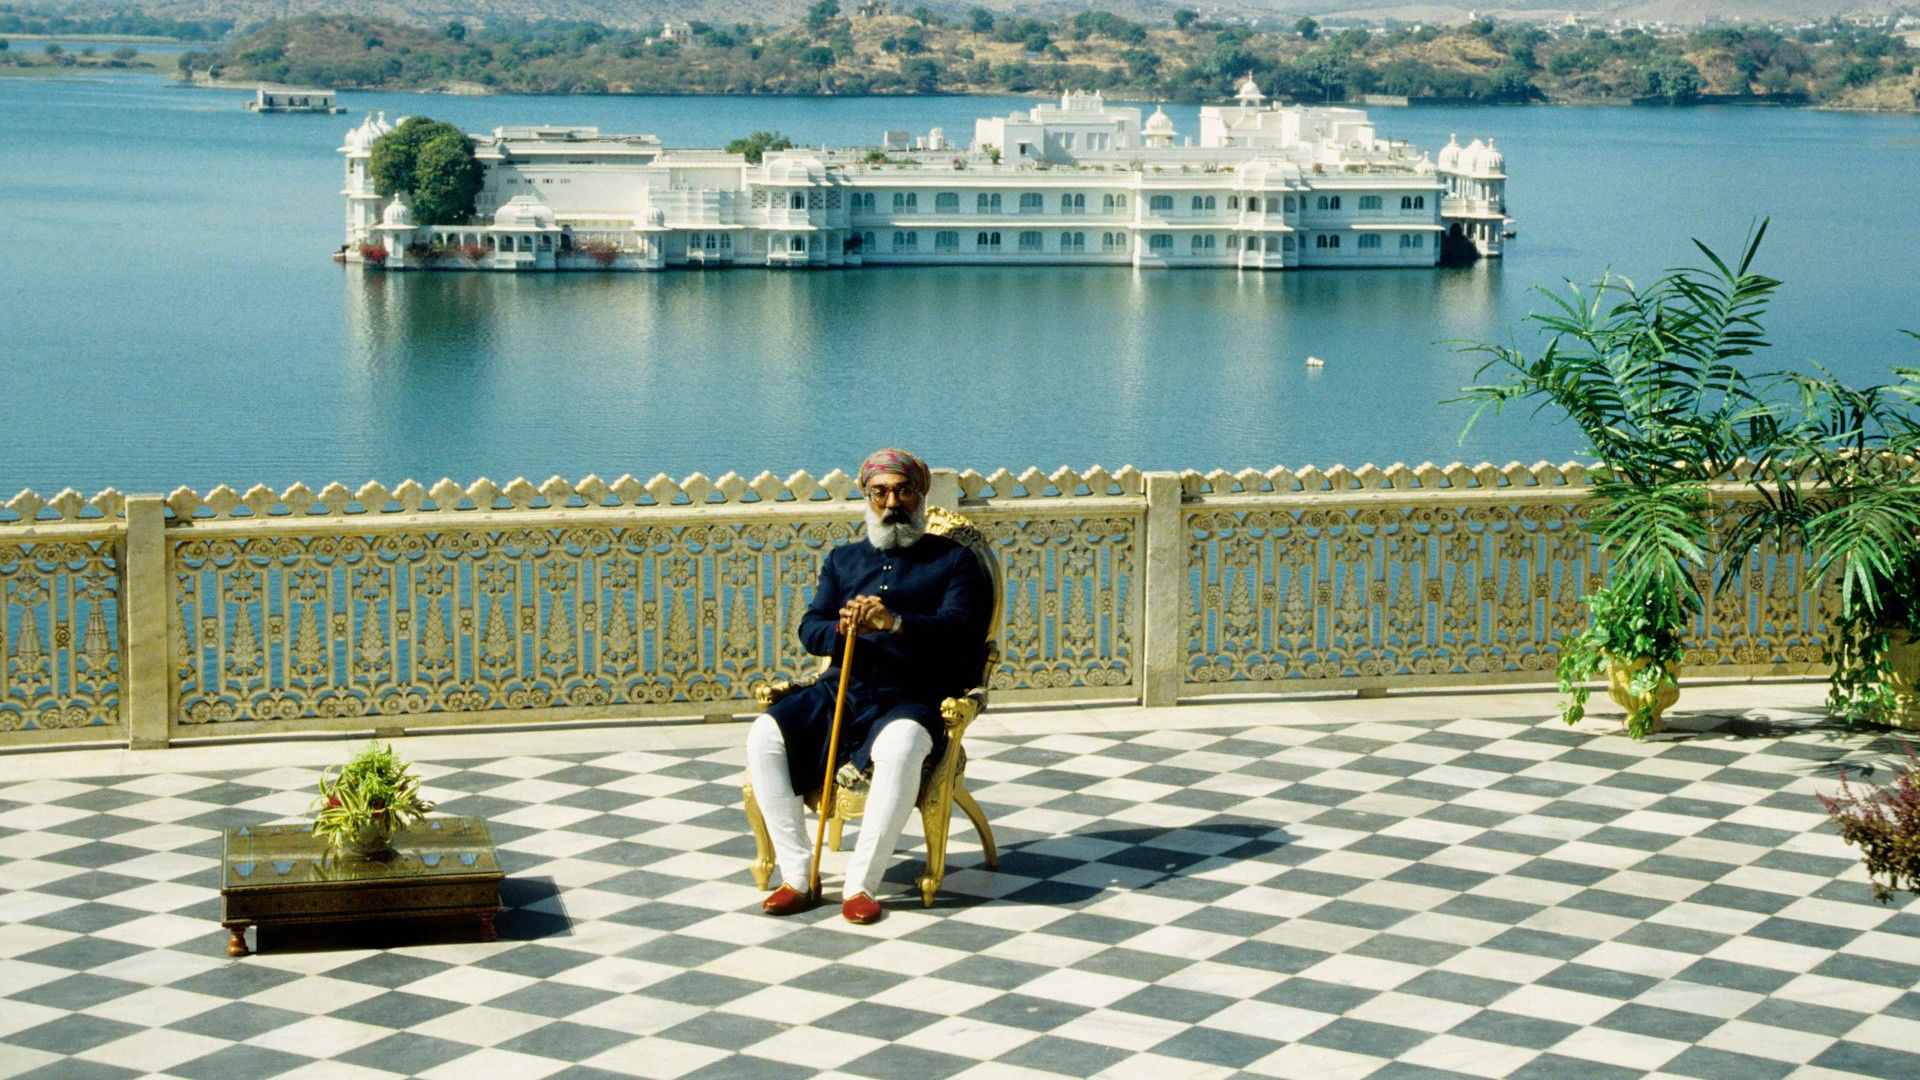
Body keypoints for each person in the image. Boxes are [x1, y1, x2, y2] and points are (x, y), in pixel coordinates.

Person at [746, 448, 993, 924]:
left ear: (920, 495)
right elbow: (808, 627)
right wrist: (840, 628)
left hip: (914, 693)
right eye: (880, 493)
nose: (892, 502)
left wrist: (896, 624)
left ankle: (861, 885)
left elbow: (963, 630)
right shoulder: (843, 561)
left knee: (900, 747)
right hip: (843, 689)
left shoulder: (954, 561)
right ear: (867, 497)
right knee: (765, 734)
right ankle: (798, 876)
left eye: (903, 491)